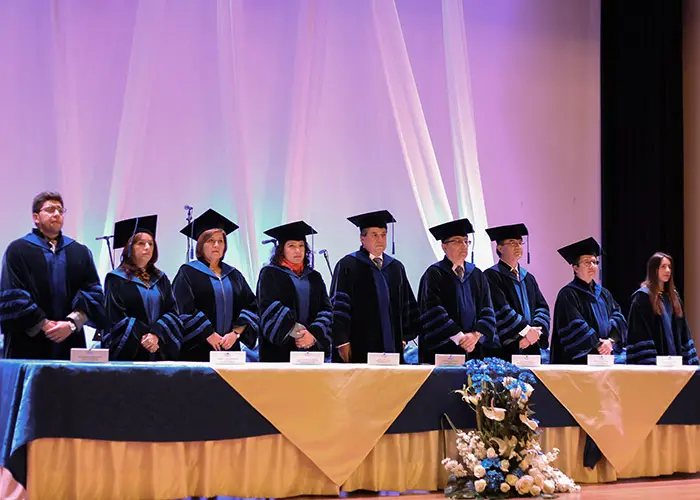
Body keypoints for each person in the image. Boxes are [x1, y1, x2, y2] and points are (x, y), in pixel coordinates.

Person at [0, 191, 106, 359]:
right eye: (50, 209)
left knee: (69, 384)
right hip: (28, 340)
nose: (56, 214)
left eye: (60, 210)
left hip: (70, 339)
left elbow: (94, 293)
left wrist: (71, 324)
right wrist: (44, 324)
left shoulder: (80, 252)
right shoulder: (18, 250)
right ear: (36, 217)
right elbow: (13, 294)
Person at [330, 210, 421, 363]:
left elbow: (407, 305)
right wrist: (342, 341)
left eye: (383, 234)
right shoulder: (348, 265)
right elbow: (338, 307)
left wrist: (404, 337)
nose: (380, 239)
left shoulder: (396, 267)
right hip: (359, 346)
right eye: (374, 235)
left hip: (392, 346)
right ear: (362, 238)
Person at [172, 209, 258, 361]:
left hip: (230, 349)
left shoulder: (234, 275)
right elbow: (182, 308)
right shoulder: (188, 272)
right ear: (200, 244)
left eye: (221, 241)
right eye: (210, 241)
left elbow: (252, 306)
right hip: (197, 348)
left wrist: (235, 334)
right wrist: (209, 334)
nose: (216, 245)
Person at [102, 215, 183, 361]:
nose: (147, 247)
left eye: (151, 244)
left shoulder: (161, 278)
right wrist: (144, 337)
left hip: (159, 348)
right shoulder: (115, 279)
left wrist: (156, 334)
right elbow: (114, 319)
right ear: (129, 248)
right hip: (129, 353)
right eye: (140, 243)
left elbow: (172, 311)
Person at [417, 218, 496, 364]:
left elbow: (487, 309)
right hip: (443, 351)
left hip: (474, 350)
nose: (464, 245)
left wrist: (475, 335)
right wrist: (460, 338)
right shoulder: (434, 273)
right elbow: (432, 310)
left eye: (466, 241)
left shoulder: (476, 274)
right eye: (458, 241)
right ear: (444, 247)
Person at [256, 221, 332, 362]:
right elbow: (267, 307)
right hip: (280, 351)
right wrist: (298, 333)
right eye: (291, 246)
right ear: (282, 249)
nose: (297, 251)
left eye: (301, 246)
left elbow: (326, 309)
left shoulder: (314, 276)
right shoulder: (270, 273)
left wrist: (313, 335)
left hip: (311, 350)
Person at [551, 237, 627, 364]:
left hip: (604, 358)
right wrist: (598, 344)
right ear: (575, 268)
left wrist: (610, 341)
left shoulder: (604, 293)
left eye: (595, 262)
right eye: (587, 262)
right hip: (578, 362)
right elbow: (575, 326)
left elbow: (618, 318)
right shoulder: (568, 294)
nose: (592, 266)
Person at [484, 223, 550, 357]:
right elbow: (501, 309)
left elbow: (542, 307)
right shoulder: (491, 276)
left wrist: (535, 333)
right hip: (507, 348)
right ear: (500, 248)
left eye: (520, 243)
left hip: (531, 344)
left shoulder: (528, 278)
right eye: (512, 243)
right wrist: (525, 332)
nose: (518, 247)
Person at [627, 252, 698, 365]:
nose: (668, 271)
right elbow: (639, 333)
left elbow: (684, 330)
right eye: (663, 267)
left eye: (669, 267)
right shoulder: (643, 297)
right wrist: (651, 362)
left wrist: (689, 360)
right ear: (654, 270)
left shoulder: (673, 297)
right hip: (655, 363)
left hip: (675, 362)